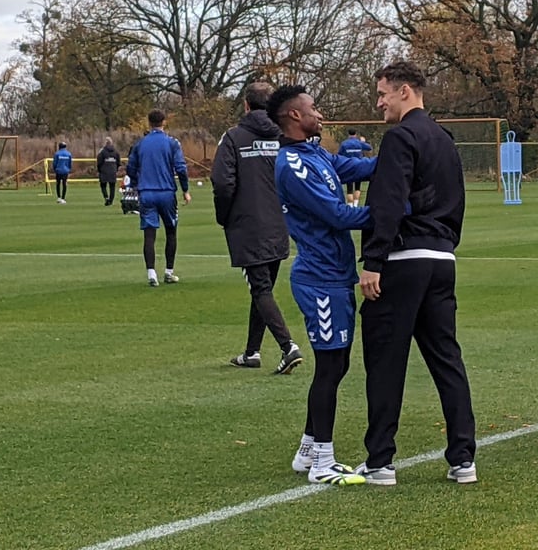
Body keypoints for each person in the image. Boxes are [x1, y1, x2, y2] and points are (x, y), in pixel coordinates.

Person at [356, 60, 477, 486]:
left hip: (404, 259)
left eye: (382, 93)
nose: (379, 102)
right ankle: (463, 458)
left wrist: (373, 261)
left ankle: (380, 461)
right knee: (447, 359)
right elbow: (457, 200)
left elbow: (387, 201)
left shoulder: (400, 137)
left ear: (404, 91)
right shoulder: (444, 139)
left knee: (385, 361)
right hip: (442, 259)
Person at [267, 84, 376, 485]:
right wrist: (395, 212)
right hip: (319, 280)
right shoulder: (292, 164)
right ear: (295, 115)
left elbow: (356, 169)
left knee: (338, 363)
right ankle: (322, 463)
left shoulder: (315, 154)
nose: (320, 114)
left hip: (335, 276)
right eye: (313, 108)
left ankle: (308, 451)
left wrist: (407, 150)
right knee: (329, 367)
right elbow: (336, 215)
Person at [212, 82, 304, 375]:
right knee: (262, 289)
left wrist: (225, 216)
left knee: (260, 288)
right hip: (279, 224)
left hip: (248, 225)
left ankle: (288, 347)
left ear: (246, 105)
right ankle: (252, 352)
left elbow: (222, 183)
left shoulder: (233, 137)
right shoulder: (284, 136)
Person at [127, 109, 191, 287]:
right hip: (166, 193)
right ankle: (169, 272)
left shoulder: (140, 144)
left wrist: (136, 184)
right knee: (171, 231)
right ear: (164, 122)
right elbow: (181, 168)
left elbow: (130, 168)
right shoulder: (172, 143)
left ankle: (151, 273)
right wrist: (185, 190)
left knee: (149, 234)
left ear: (149, 123)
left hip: (146, 193)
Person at [338, 129, 372, 207]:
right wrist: (363, 142)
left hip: (348, 167)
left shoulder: (344, 144)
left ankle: (350, 206)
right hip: (358, 167)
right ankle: (356, 205)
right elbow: (369, 148)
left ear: (348, 134)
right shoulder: (359, 143)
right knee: (357, 187)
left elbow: (339, 155)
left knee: (349, 189)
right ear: (355, 134)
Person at [97, 137, 122, 206]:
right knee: (112, 186)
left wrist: (99, 170)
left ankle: (106, 197)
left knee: (103, 185)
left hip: (104, 171)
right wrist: (116, 169)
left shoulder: (102, 152)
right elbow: (118, 162)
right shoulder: (116, 152)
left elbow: (99, 162)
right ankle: (111, 200)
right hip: (113, 171)